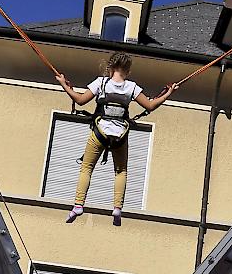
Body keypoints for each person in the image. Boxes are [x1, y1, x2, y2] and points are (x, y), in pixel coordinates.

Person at [55, 53, 177, 227]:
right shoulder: (131, 87)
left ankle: (78, 205)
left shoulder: (101, 83)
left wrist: (64, 85)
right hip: (120, 134)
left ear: (110, 67)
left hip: (100, 132)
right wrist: (168, 93)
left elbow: (80, 100)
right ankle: (117, 208)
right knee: (121, 171)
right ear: (127, 70)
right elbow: (150, 105)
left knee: (87, 168)